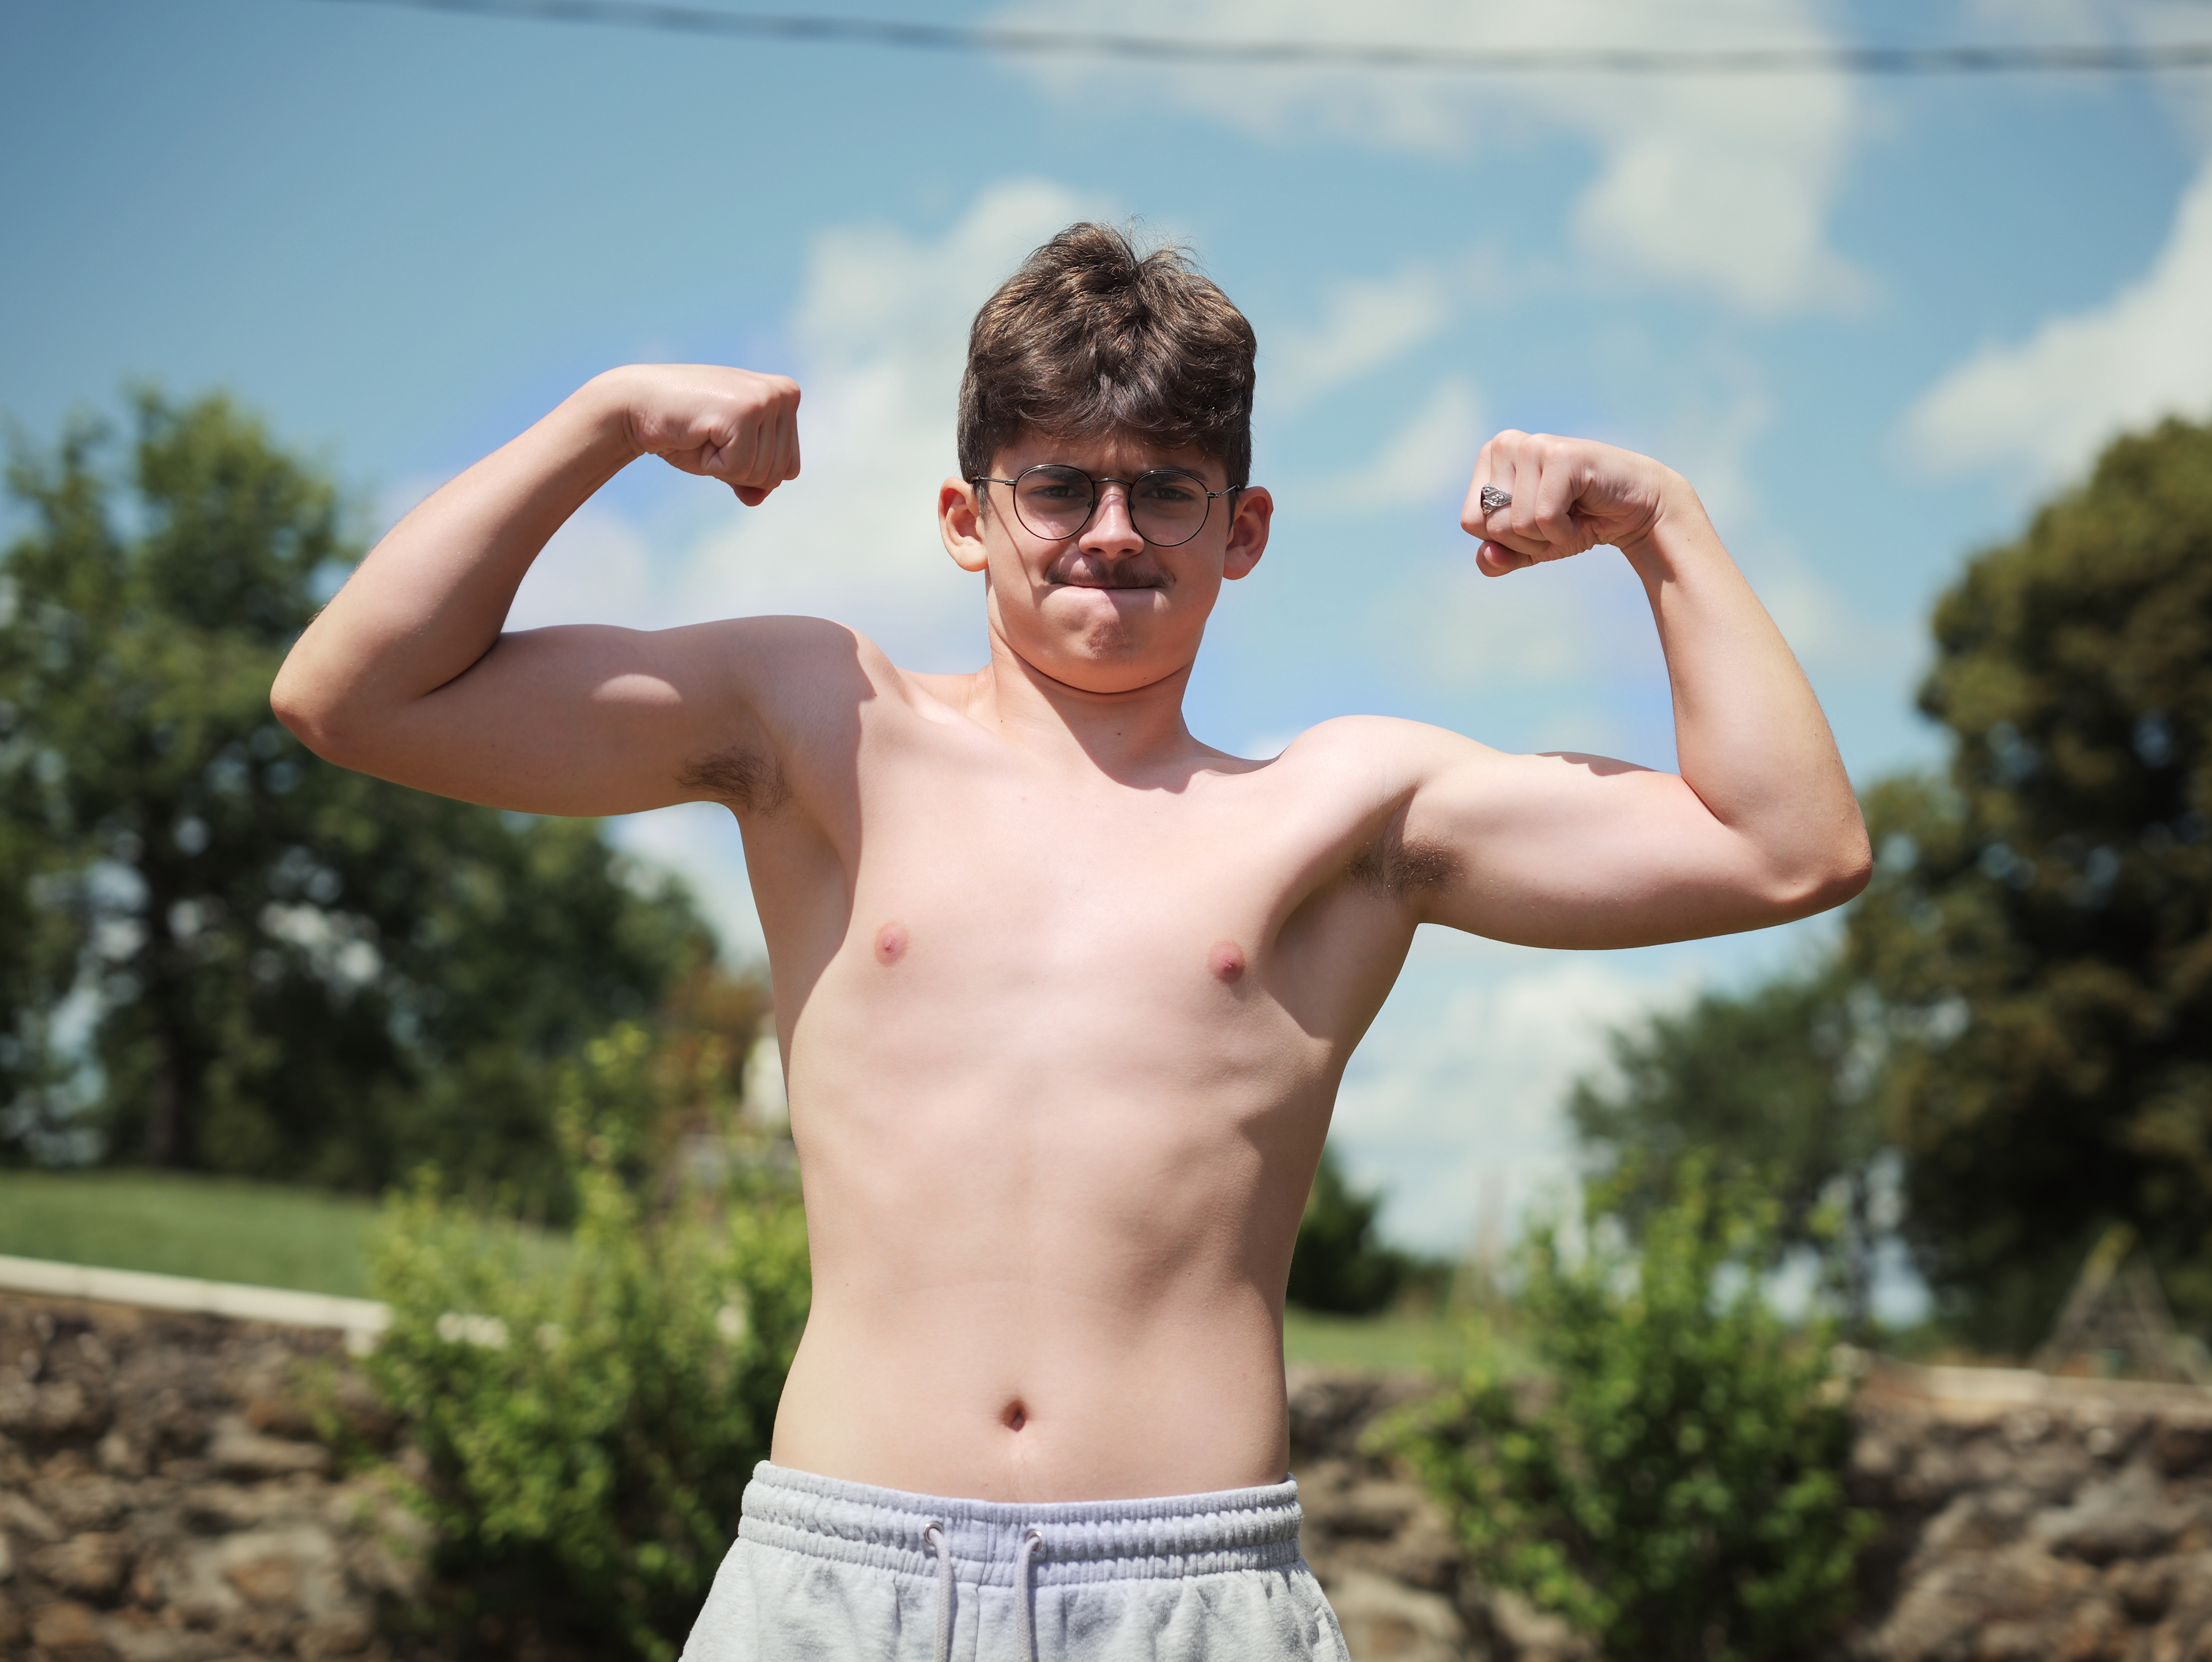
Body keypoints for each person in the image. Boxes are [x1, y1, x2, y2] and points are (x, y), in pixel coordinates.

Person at [272, 223, 1870, 1661]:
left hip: (1190, 1595)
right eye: (1058, 486)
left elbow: (1792, 847)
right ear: (968, 518)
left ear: (1242, 530)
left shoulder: (1344, 812)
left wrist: (1662, 520)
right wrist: (608, 417)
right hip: (840, 1578)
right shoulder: (821, 727)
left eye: (1166, 489)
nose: (1112, 530)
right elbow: (350, 697)